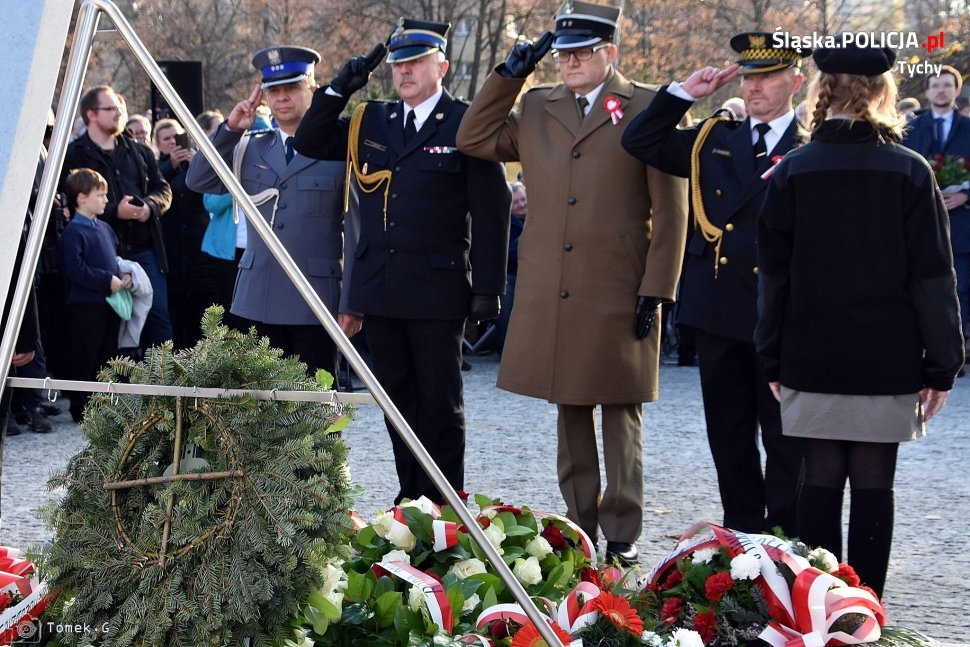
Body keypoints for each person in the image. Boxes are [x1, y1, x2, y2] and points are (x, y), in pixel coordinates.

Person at [457, 1, 688, 565]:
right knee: (569, 406)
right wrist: (509, 75)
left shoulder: (647, 106)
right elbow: (474, 137)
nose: (570, 62)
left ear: (610, 52)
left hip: (620, 282)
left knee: (622, 408)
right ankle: (580, 524)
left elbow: (672, 209)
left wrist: (659, 287)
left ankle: (623, 530)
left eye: (582, 52)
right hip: (554, 282)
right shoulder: (539, 105)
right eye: (563, 54)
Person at [755, 44, 964, 597]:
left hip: (811, 350)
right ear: (882, 92)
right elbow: (932, 277)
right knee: (875, 483)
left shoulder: (793, 169)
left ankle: (821, 605)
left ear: (822, 92)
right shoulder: (910, 169)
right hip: (886, 353)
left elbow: (772, 277)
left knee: (818, 479)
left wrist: (770, 355)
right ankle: (865, 608)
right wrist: (943, 363)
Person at [293, 20, 511, 505]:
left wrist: (488, 288)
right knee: (396, 404)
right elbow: (308, 142)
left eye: (416, 62)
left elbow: (491, 211)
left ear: (442, 66)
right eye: (398, 64)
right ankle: (409, 503)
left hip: (437, 290)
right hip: (381, 288)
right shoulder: (374, 120)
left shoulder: (465, 121)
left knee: (440, 406)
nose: (405, 71)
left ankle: (445, 506)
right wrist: (338, 89)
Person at [621, 32, 808, 536]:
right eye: (748, 77)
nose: (754, 87)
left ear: (796, 81)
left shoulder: (810, 144)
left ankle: (785, 542)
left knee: (787, 437)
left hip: (785, 313)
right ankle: (741, 535)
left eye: (768, 76)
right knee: (728, 433)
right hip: (720, 307)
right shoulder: (714, 138)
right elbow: (640, 142)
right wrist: (684, 93)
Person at [186, 45, 359, 380]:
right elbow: (199, 179)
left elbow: (355, 230)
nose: (282, 97)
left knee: (318, 398)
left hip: (316, 299)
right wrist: (231, 129)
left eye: (292, 87)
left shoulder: (340, 147)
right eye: (274, 90)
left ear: (313, 89)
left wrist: (352, 302)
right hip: (258, 296)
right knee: (258, 401)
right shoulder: (250, 146)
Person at [62, 85, 173, 352]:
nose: (118, 113)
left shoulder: (139, 151)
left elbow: (163, 189)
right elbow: (69, 202)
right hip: (100, 256)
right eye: (110, 108)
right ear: (91, 114)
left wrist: (149, 207)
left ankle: (165, 379)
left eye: (119, 108)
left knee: (158, 322)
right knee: (108, 332)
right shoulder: (74, 154)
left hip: (145, 249)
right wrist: (114, 212)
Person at [902, 66, 970, 352]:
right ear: (927, 92)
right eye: (935, 86)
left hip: (963, 221)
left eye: (946, 85)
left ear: (956, 90)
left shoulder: (968, 128)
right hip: (923, 220)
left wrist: (965, 195)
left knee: (961, 286)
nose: (941, 91)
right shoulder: (911, 129)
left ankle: (960, 346)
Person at [60, 169, 132, 422]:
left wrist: (125, 274)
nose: (106, 200)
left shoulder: (105, 227)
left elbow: (116, 258)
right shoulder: (73, 232)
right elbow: (74, 269)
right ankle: (81, 408)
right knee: (85, 356)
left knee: (107, 356)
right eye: (100, 195)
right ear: (81, 198)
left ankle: (103, 406)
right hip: (85, 305)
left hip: (109, 304)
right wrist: (105, 279)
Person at [154, 118, 214, 349]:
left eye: (176, 137)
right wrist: (170, 165)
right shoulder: (156, 167)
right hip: (171, 250)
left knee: (202, 316)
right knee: (177, 317)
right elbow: (154, 188)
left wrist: (195, 164)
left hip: (200, 249)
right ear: (158, 143)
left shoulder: (197, 163)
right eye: (166, 139)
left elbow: (209, 192)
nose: (173, 142)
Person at [494, 181, 527, 355]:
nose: (521, 205)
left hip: (536, 274)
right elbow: (509, 254)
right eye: (516, 202)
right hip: (511, 273)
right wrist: (525, 237)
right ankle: (505, 349)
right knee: (506, 298)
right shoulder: (504, 223)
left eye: (523, 200)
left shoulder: (539, 219)